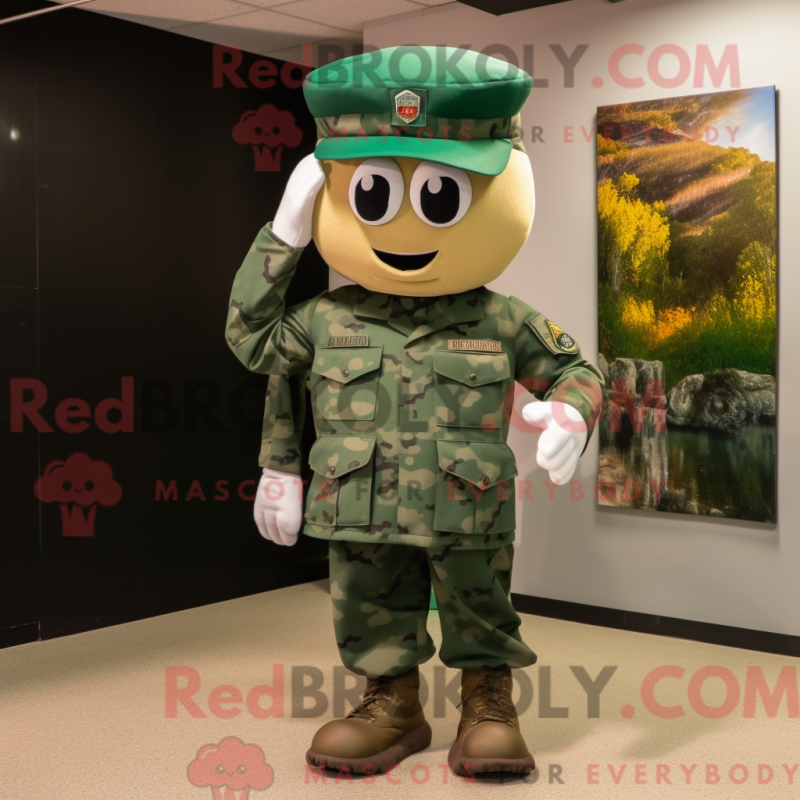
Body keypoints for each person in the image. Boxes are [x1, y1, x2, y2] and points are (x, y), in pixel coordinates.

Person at [226, 45, 604, 777]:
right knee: (367, 608)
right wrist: (283, 236)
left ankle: (488, 705)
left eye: (440, 195)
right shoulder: (328, 316)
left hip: (469, 512)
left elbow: (575, 369)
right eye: (373, 192)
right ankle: (390, 704)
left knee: (481, 610)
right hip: (359, 507)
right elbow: (255, 341)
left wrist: (572, 413)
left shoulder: (500, 318)